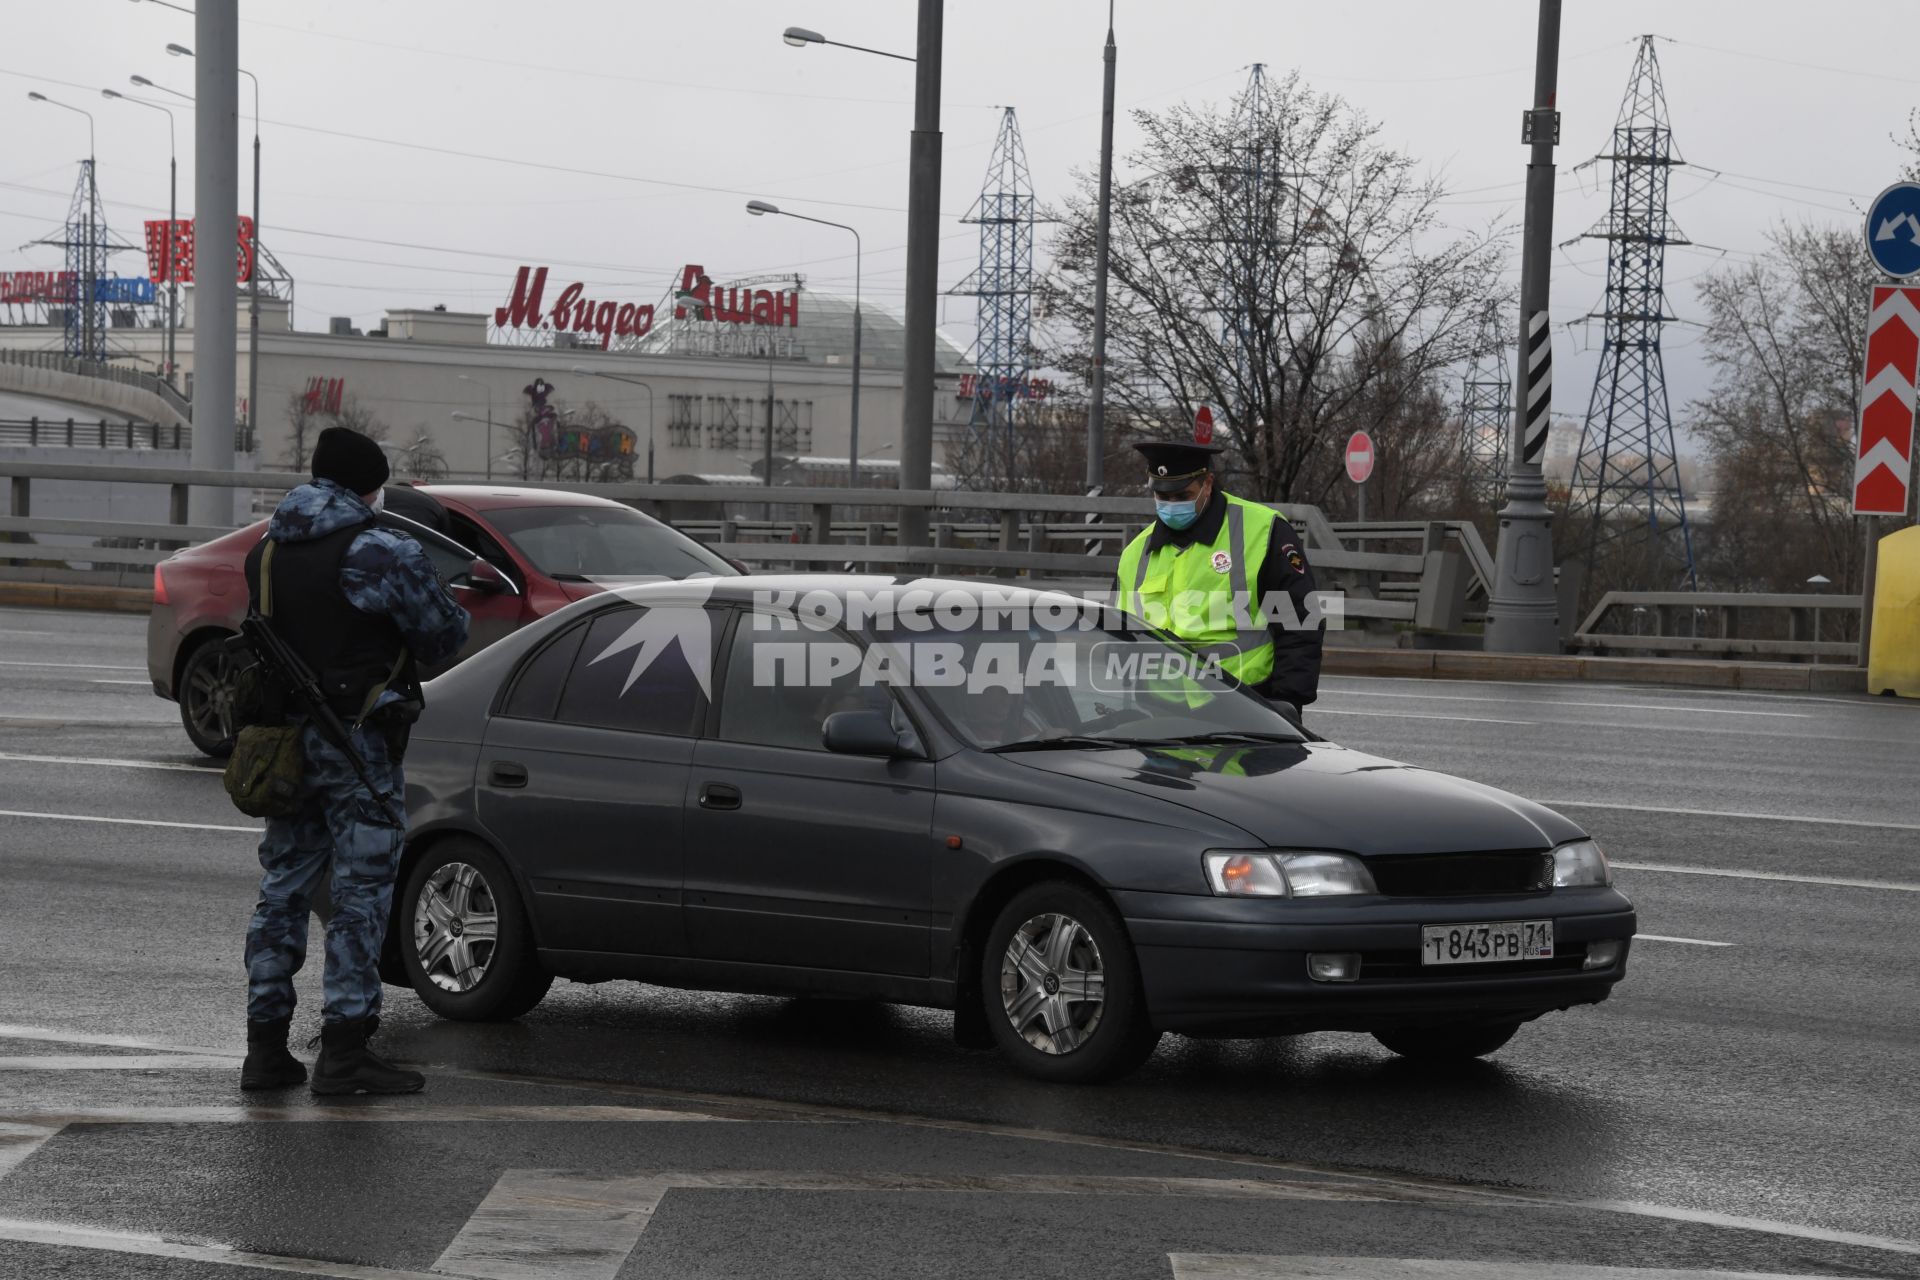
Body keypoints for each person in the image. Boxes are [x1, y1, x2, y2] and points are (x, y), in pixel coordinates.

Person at [239, 426, 470, 1095]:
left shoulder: (267, 549)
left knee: (283, 888)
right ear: (369, 485)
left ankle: (265, 1050)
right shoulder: (379, 550)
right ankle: (344, 1051)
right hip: (357, 743)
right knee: (360, 894)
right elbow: (443, 634)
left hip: (284, 745)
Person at [1115, 438, 1323, 719]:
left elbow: (1301, 620)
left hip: (1248, 702)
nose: (1171, 504)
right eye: (1162, 497)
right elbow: (1120, 638)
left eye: (1182, 495)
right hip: (1161, 711)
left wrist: (1287, 702)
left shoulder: (1262, 530)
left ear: (1208, 483)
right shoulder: (1134, 554)